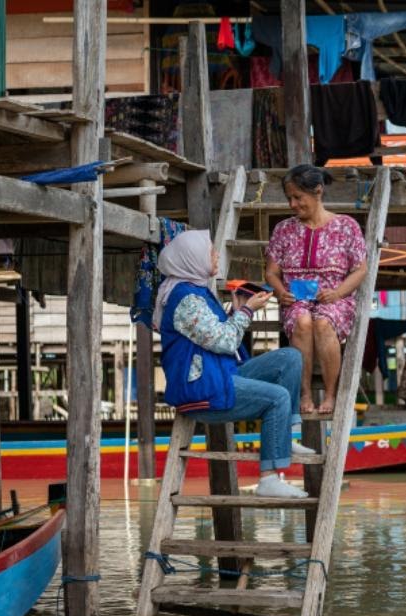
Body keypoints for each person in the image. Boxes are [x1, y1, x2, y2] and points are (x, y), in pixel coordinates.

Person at [155, 230, 309, 499]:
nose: (215, 255)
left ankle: (284, 436)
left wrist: (237, 312)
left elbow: (212, 334)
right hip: (203, 390)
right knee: (278, 398)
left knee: (290, 358)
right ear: (192, 259)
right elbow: (225, 341)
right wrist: (247, 311)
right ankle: (269, 478)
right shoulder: (186, 299)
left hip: (220, 374)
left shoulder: (198, 290)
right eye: (209, 252)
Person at [265, 164, 368, 415]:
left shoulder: (346, 226)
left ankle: (331, 395)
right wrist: (280, 292)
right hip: (295, 300)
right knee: (302, 321)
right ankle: (305, 393)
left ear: (318, 191)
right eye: (289, 198)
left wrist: (338, 293)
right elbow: (271, 272)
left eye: (298, 197)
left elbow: (360, 270)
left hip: (335, 298)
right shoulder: (283, 229)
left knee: (323, 322)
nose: (292, 204)